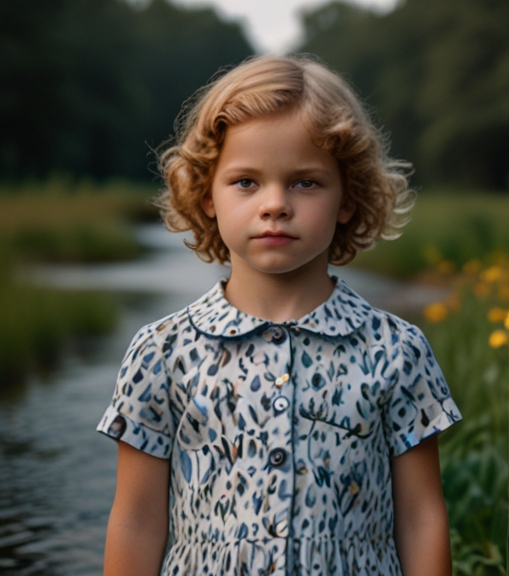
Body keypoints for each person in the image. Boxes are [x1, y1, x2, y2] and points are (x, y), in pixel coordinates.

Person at [97, 54, 461, 576]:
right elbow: (136, 519)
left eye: (305, 182)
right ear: (207, 197)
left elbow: (422, 516)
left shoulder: (397, 350)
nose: (275, 204)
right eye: (246, 182)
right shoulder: (161, 352)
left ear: (347, 199)